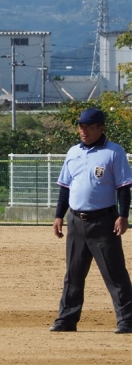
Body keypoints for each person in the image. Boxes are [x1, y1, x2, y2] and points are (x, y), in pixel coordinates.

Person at [51, 108, 132, 334]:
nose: (83, 130)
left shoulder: (114, 152)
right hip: (76, 221)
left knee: (114, 273)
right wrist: (58, 216)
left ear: (101, 128)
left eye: (89, 126)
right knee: (73, 274)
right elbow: (65, 188)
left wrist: (123, 216)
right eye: (81, 126)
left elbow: (124, 187)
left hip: (104, 221)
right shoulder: (73, 152)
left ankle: (127, 320)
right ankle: (66, 320)